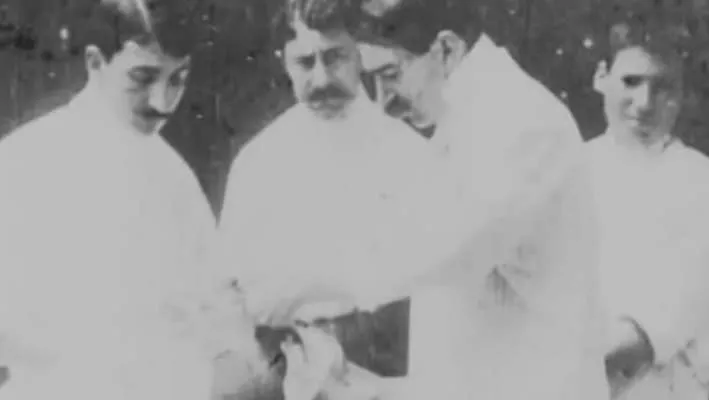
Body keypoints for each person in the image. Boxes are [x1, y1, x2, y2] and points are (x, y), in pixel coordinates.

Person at [241, 0, 610, 399]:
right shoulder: (468, 120)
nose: (383, 101)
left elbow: (435, 249)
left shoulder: (520, 123)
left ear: (446, 49)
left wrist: (296, 285)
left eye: (390, 75)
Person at [212, 0, 450, 397]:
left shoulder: (408, 155)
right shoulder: (259, 161)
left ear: (360, 54)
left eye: (336, 57)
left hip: (387, 365)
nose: (322, 79)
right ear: (284, 62)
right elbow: (229, 291)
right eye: (305, 62)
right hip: (284, 367)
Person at [0, 0, 229, 398]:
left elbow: (212, 311)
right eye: (142, 78)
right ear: (95, 62)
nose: (161, 102)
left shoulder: (175, 177)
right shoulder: (24, 162)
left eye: (178, 79)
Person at [589, 19, 709, 400]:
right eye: (631, 81)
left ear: (682, 95)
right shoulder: (567, 168)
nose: (644, 103)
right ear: (601, 77)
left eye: (663, 87)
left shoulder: (698, 182)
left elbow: (663, 321)